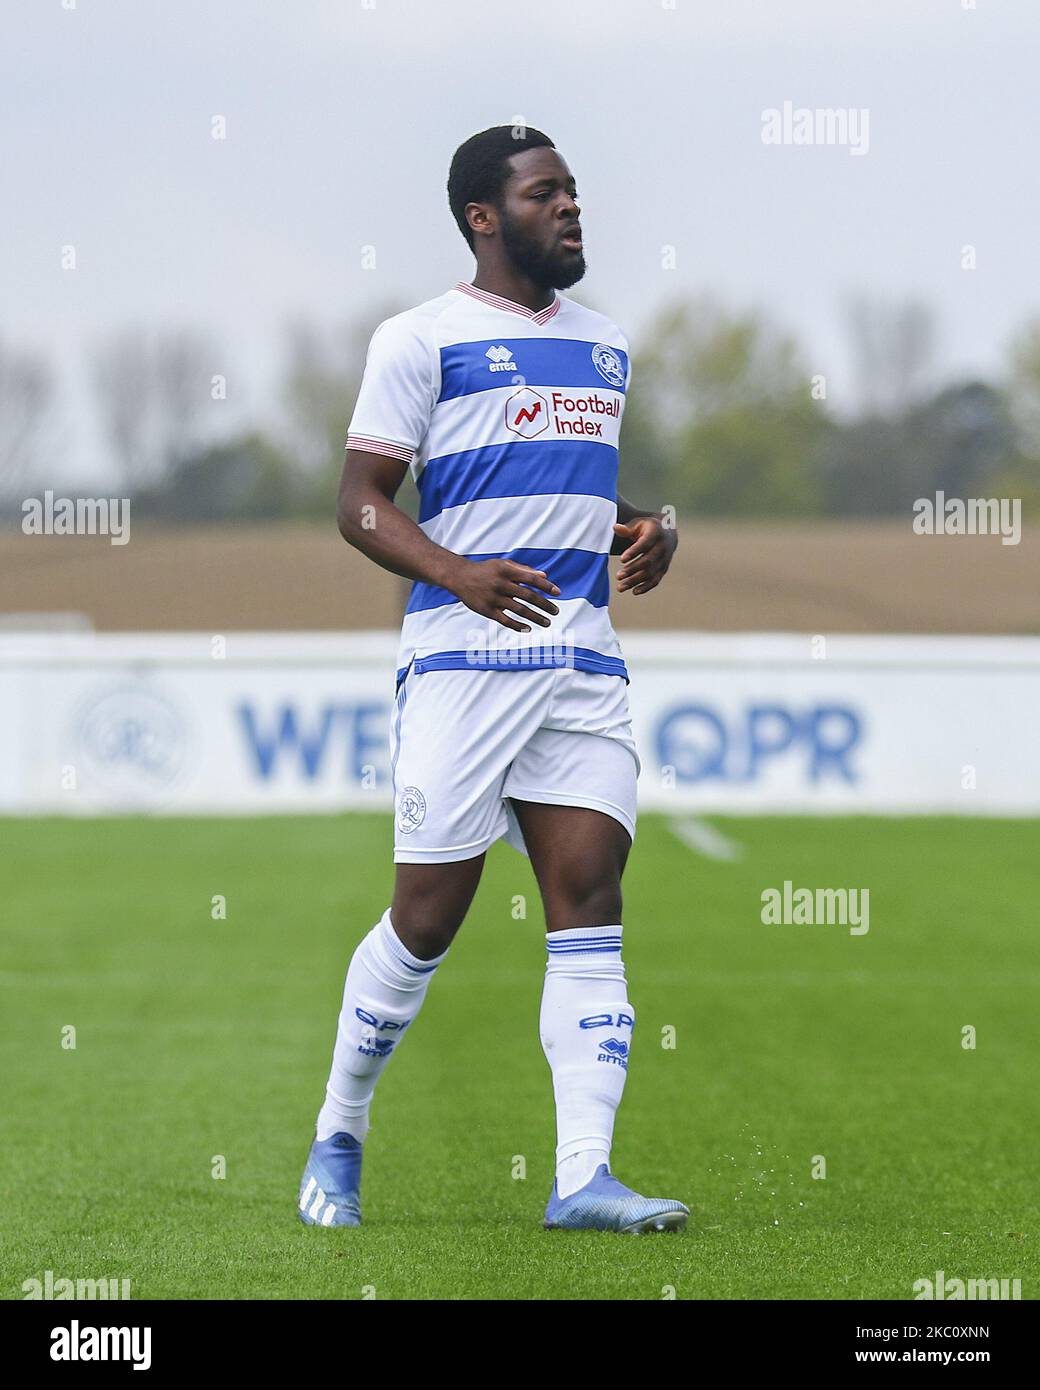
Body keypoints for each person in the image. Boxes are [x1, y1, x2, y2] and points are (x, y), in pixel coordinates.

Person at [298, 125, 686, 1234]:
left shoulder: (606, 345)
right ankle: (339, 1126)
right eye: (544, 194)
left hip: (578, 662)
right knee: (425, 920)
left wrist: (649, 531)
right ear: (484, 215)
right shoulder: (419, 339)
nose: (570, 208)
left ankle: (581, 1178)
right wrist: (453, 572)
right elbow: (361, 498)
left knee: (590, 899)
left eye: (573, 191)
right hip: (462, 664)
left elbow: (564, 490)